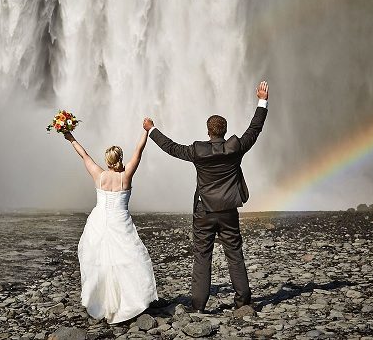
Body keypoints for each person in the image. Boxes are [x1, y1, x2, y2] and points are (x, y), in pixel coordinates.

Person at [143, 80, 269, 312]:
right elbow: (255, 129)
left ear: (208, 131)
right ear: (224, 130)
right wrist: (262, 100)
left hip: (204, 211)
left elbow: (171, 147)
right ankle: (243, 300)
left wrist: (151, 129)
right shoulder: (236, 147)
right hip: (229, 210)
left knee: (202, 257)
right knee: (234, 254)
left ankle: (199, 306)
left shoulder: (197, 151)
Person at [62, 128, 158, 323]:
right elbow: (139, 151)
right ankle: (128, 301)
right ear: (120, 158)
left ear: (107, 161)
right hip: (120, 221)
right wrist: (146, 131)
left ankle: (100, 301)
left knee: (99, 260)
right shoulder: (126, 176)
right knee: (127, 259)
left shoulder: (99, 175)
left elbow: (84, 155)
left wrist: (70, 137)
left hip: (99, 220)